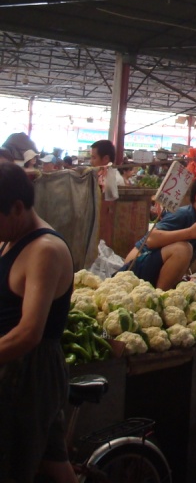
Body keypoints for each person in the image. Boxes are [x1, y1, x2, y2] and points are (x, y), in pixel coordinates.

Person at [0, 163, 76, 483]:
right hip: (12, 363)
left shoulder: (45, 251)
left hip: (30, 372)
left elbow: (29, 333)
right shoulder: (9, 238)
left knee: (15, 466)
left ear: (17, 207)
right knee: (51, 460)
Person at [121, 174, 196, 290]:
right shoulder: (182, 214)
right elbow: (151, 239)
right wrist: (190, 232)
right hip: (135, 267)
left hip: (158, 272)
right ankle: (161, 296)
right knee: (183, 249)